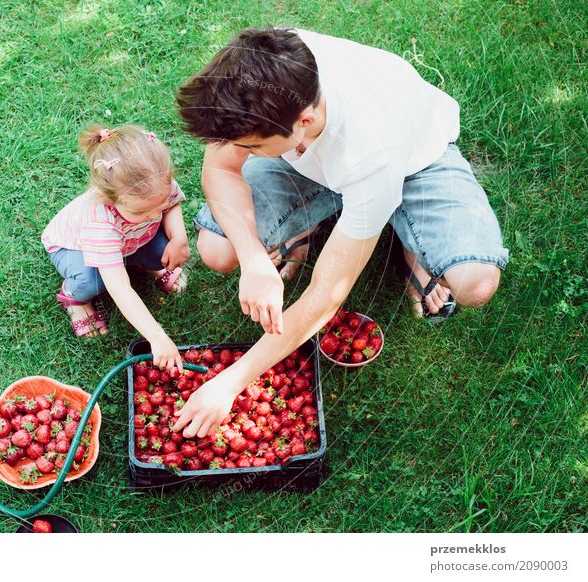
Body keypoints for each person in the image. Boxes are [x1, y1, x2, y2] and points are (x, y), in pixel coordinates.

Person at [172, 27, 508, 437]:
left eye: (253, 148)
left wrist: (232, 381)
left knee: (476, 282)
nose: (246, 155)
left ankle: (406, 239)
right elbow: (220, 168)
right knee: (219, 250)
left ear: (305, 120)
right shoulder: (262, 71)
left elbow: (325, 295)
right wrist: (253, 259)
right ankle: (317, 221)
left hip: (413, 163)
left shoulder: (372, 153)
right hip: (308, 158)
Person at [41, 125, 190, 370]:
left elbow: (171, 204)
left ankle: (141, 263)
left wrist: (179, 239)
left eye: (158, 204)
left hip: (129, 240)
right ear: (111, 198)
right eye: (142, 211)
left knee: (164, 250)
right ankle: (73, 296)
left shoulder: (157, 182)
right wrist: (157, 336)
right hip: (74, 249)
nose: (155, 213)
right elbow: (120, 288)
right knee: (94, 283)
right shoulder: (100, 223)